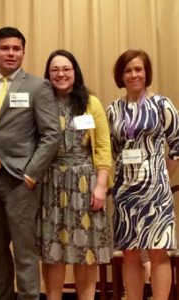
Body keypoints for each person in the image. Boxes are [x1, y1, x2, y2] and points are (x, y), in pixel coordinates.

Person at [0, 27, 61, 300]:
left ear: (23, 52)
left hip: (21, 182)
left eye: (16, 49)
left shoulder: (38, 86)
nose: (11, 53)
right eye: (5, 48)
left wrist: (32, 175)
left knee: (25, 253)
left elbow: (51, 134)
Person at [38, 49, 112, 300]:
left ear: (75, 71)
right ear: (48, 75)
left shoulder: (91, 102)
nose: (61, 74)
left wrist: (101, 186)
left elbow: (102, 147)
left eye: (66, 69)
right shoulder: (42, 102)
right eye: (55, 70)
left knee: (85, 250)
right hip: (51, 182)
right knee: (52, 250)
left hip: (85, 183)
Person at [107, 49, 179, 300]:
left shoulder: (162, 104)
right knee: (130, 253)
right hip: (125, 193)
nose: (134, 74)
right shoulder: (113, 110)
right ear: (121, 75)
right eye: (128, 70)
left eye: (138, 69)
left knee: (158, 251)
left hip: (156, 192)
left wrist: (161, 177)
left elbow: (177, 144)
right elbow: (111, 151)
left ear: (146, 73)